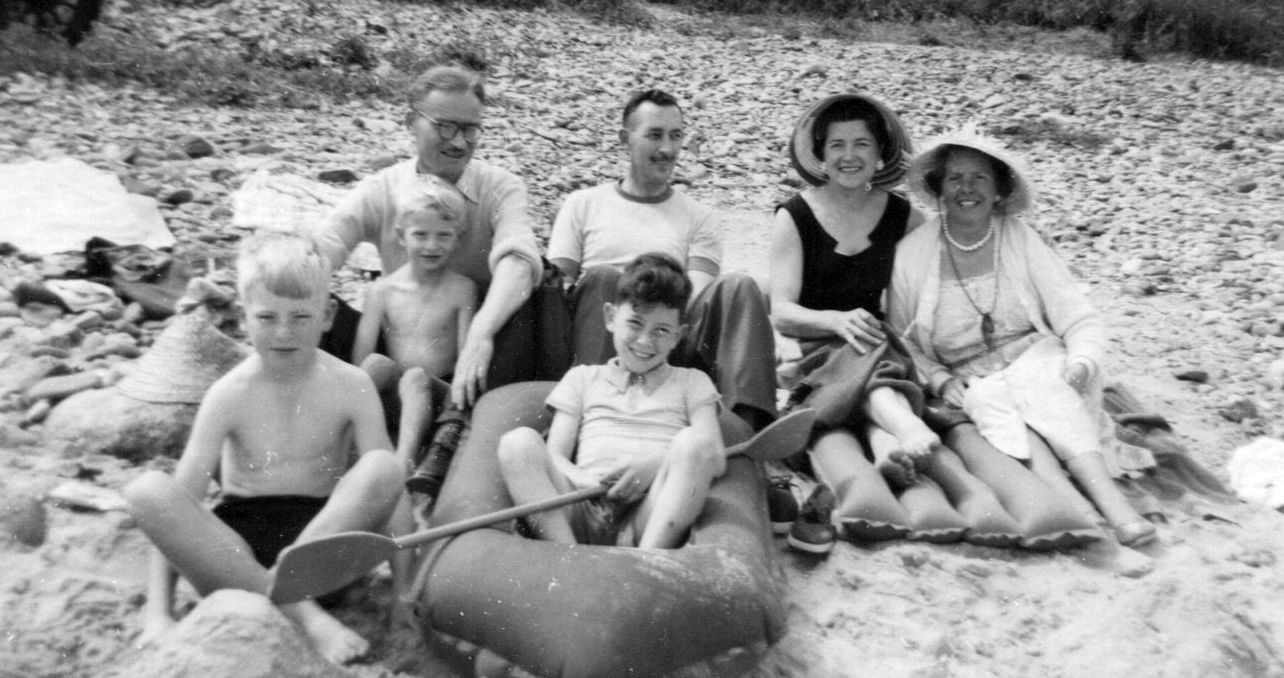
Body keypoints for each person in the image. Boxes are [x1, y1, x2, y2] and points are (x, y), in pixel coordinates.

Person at [123, 233, 413, 664]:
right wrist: (158, 612)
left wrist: (402, 598)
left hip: (321, 554)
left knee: (383, 466)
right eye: (267, 317)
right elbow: (181, 503)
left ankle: (292, 601)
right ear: (243, 318)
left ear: (328, 314)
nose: (283, 333)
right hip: (234, 562)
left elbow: (392, 497)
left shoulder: (351, 384)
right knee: (148, 490)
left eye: (300, 317)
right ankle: (304, 616)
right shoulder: (228, 393)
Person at [771, 93, 1026, 554]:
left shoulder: (903, 217)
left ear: (880, 152)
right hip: (814, 345)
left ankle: (887, 444)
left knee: (871, 340)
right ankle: (902, 429)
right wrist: (834, 320)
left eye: (862, 144)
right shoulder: (795, 216)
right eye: (838, 146)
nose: (850, 156)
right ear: (821, 156)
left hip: (876, 342)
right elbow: (781, 310)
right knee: (859, 342)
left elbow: (952, 256)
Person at [889, 127, 1157, 547]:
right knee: (997, 406)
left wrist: (1082, 362)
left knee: (1041, 391)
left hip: (1037, 358)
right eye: (955, 178)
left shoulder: (1019, 238)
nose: (967, 189)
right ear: (939, 188)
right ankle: (1076, 508)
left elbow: (1078, 316)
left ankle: (1114, 507)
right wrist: (939, 379)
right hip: (970, 378)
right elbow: (901, 338)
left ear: (998, 189)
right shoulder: (913, 253)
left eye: (980, 178)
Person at [314, 55, 544, 411]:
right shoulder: (384, 188)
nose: (458, 142)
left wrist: (481, 333)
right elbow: (328, 241)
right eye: (445, 127)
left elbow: (519, 256)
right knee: (311, 302)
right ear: (411, 123)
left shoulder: (500, 186)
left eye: (470, 129)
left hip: (481, 347)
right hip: (402, 340)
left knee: (534, 298)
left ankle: (463, 425)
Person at [547, 88, 777, 432]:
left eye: (675, 136)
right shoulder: (583, 204)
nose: (667, 149)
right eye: (654, 135)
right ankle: (592, 416)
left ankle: (744, 428)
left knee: (740, 285)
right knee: (605, 279)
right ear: (625, 139)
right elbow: (559, 286)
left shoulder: (699, 216)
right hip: (601, 337)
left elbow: (696, 295)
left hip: (668, 339)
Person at [495, 253, 726, 549]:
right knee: (517, 444)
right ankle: (571, 556)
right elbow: (556, 455)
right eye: (635, 323)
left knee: (695, 441)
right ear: (610, 317)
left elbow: (713, 456)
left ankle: (646, 561)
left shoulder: (693, 381)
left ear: (678, 336)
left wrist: (657, 464)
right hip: (580, 506)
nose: (645, 341)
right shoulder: (583, 378)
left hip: (648, 512)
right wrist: (582, 480)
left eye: (661, 330)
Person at [352, 174, 476, 479]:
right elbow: (360, 359)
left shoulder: (461, 289)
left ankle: (405, 460)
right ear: (401, 235)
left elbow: (466, 358)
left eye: (443, 235)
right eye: (420, 235)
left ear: (458, 237)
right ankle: (339, 433)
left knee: (416, 377)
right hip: (393, 398)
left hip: (438, 399)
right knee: (377, 363)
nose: (432, 245)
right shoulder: (383, 290)